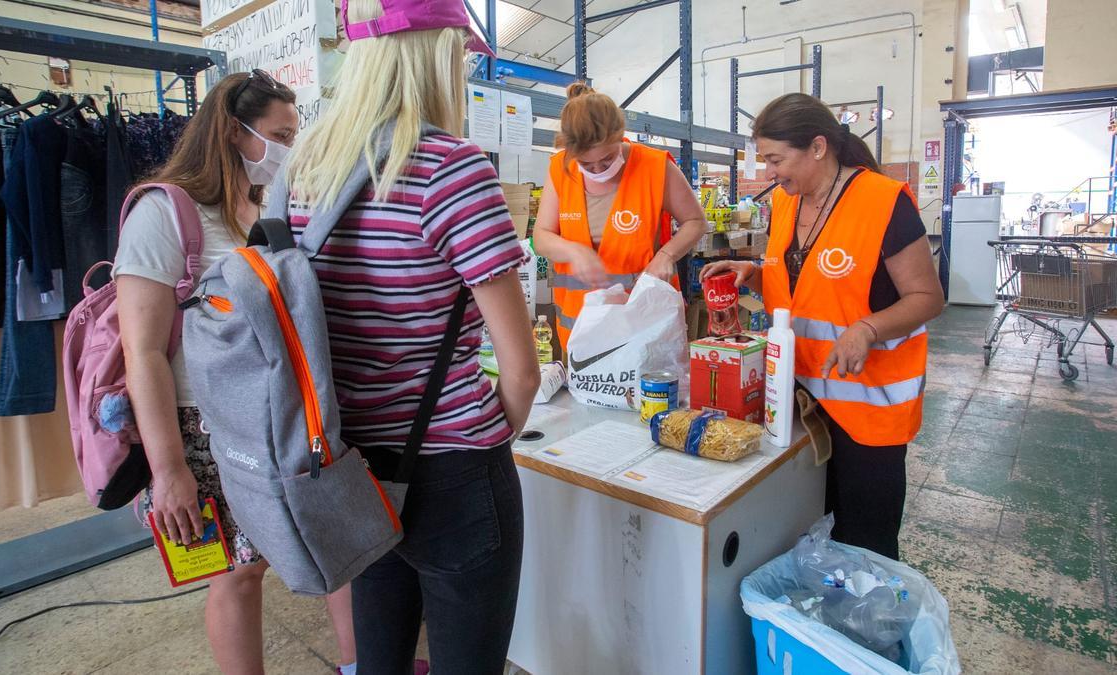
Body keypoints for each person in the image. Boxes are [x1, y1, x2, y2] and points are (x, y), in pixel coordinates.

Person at [280, 0, 541, 672]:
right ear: (435, 53)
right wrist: (479, 438)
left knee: (379, 655)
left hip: (348, 465)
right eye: (458, 49)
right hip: (453, 468)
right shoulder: (451, 169)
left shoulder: (305, 169)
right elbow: (522, 369)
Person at [112, 71, 359, 675]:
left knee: (336, 545)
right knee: (237, 572)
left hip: (290, 415)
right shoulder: (162, 212)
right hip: (205, 427)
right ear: (231, 130)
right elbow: (141, 351)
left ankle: (363, 664)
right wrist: (170, 470)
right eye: (278, 134)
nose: (286, 149)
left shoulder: (271, 205)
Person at [701, 93, 943, 560]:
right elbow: (800, 278)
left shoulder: (882, 201)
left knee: (863, 547)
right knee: (806, 531)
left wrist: (868, 329)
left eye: (776, 159)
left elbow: (927, 297)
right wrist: (752, 270)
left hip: (868, 409)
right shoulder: (790, 205)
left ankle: (859, 632)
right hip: (800, 404)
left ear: (816, 147)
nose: (770, 172)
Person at [532, 83, 708, 350]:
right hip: (581, 331)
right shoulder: (560, 169)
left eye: (607, 158)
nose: (598, 169)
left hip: (643, 327)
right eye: (586, 164)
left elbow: (696, 222)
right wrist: (573, 252)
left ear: (620, 135)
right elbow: (542, 236)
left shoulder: (655, 167)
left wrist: (666, 256)